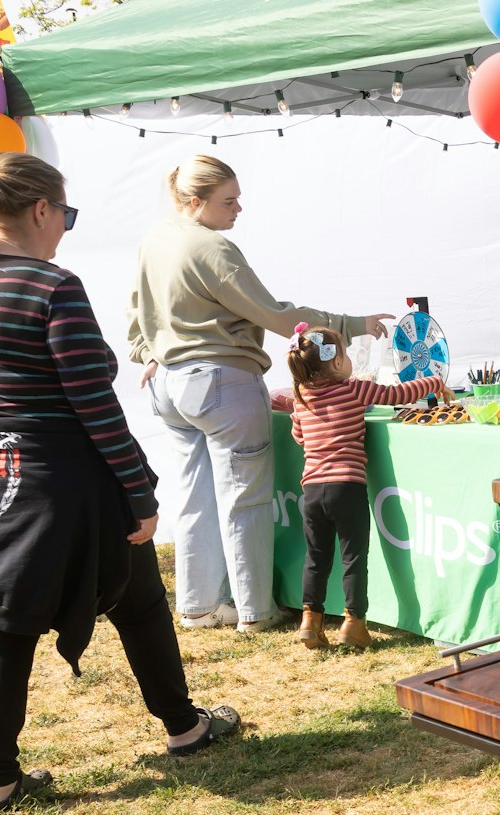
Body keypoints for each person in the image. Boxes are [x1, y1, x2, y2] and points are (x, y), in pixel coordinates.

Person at [0, 153, 241, 815]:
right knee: (138, 598)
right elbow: (94, 402)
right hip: (54, 484)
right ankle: (183, 725)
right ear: (41, 211)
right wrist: (140, 489)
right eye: (64, 215)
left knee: (0, 624)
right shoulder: (51, 286)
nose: (63, 229)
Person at [127, 155, 394, 634]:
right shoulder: (212, 249)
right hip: (220, 382)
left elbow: (136, 309)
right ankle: (253, 611)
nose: (239, 209)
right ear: (194, 201)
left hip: (170, 383)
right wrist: (352, 325)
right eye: (229, 201)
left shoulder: (156, 238)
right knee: (244, 500)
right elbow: (277, 316)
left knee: (193, 500)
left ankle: (195, 607)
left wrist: (149, 350)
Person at [277, 323, 444, 650]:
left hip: (312, 491)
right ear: (337, 361)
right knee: (354, 557)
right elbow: (397, 395)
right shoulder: (354, 390)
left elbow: (299, 437)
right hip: (347, 486)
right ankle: (354, 622)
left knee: (317, 557)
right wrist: (435, 381)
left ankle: (310, 619)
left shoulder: (301, 399)